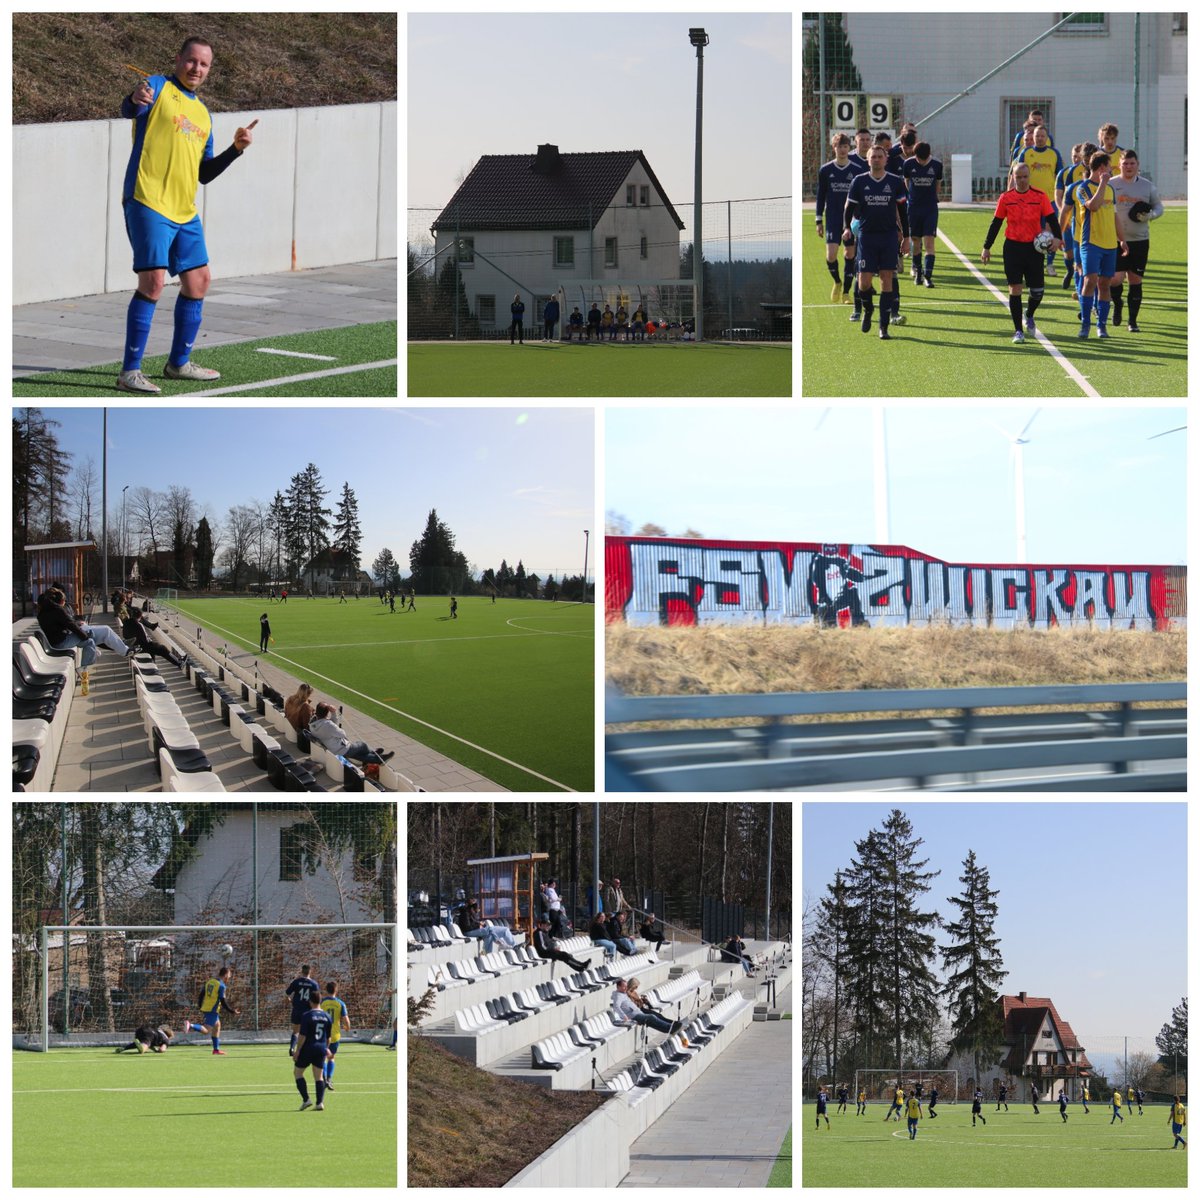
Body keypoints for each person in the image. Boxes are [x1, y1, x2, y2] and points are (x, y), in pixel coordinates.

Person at [116, 36, 257, 393]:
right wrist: (134, 99)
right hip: (147, 200)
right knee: (154, 282)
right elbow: (130, 109)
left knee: (200, 281)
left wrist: (235, 150)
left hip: (184, 210)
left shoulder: (203, 115)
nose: (197, 68)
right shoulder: (157, 86)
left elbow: (204, 173)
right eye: (192, 61)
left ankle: (178, 364)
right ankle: (130, 371)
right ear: (178, 59)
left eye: (204, 64)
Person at [981, 161, 1062, 343]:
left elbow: (1052, 219)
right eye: (1018, 177)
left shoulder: (1039, 196)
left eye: (1025, 177)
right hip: (1013, 248)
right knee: (1015, 288)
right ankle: (1018, 330)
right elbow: (996, 223)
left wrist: (1058, 238)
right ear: (1013, 178)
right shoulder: (1006, 198)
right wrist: (987, 247)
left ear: (1029, 177)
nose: (1022, 180)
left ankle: (1029, 313)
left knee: (1038, 291)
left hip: (1033, 249)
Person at [842, 145, 910, 340]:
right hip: (866, 236)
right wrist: (847, 228)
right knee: (863, 282)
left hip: (888, 236)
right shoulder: (859, 181)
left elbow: (903, 213)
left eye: (880, 157)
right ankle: (868, 309)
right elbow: (849, 208)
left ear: (886, 159)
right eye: (874, 157)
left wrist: (905, 237)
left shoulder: (895, 182)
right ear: (868, 160)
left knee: (886, 279)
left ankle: (883, 327)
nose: (877, 160)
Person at [1073, 150, 1126, 339]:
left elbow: (1113, 215)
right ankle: (1085, 324)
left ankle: (1101, 326)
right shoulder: (1083, 188)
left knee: (1105, 284)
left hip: (1110, 244)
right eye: (1109, 166)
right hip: (1091, 242)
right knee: (1090, 281)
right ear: (1101, 167)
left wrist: (1122, 239)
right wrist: (1103, 183)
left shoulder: (1110, 190)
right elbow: (1093, 206)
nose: (1111, 170)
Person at [1108, 149, 1163, 332]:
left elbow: (1159, 207)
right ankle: (1117, 304)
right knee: (1115, 280)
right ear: (1119, 165)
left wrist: (1150, 216)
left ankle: (1132, 321)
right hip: (1116, 240)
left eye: (1132, 163)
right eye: (1125, 163)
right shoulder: (1111, 184)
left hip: (1140, 240)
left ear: (1137, 165)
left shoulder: (1147, 186)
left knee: (1135, 280)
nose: (1129, 167)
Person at [37, 587, 131, 670]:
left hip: (57, 642)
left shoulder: (43, 612)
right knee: (101, 632)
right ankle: (124, 650)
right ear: (60, 601)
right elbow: (71, 625)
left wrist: (81, 628)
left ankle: (84, 668)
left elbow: (62, 625)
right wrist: (85, 635)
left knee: (90, 640)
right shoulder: (57, 610)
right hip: (61, 643)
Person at [816, 132, 860, 304]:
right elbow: (821, 196)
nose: (842, 150)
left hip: (851, 220)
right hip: (833, 219)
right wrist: (818, 220)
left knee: (850, 255)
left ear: (849, 148)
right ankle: (837, 282)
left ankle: (847, 293)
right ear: (833, 148)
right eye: (839, 146)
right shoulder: (826, 170)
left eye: (845, 146)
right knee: (831, 255)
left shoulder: (856, 170)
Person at [1017, 125, 1064, 274]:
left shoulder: (1054, 154)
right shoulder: (1026, 153)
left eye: (1043, 136)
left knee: (1049, 233)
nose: (1040, 138)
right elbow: (1017, 174)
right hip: (1030, 200)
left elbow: (1060, 177)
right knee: (1030, 232)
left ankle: (1049, 264)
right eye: (1037, 136)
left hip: (1049, 200)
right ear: (1033, 137)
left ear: (1047, 138)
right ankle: (1029, 263)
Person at [903, 141, 943, 287]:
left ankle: (928, 276)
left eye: (924, 159)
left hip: (930, 208)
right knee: (915, 240)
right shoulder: (908, 165)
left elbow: (938, 185)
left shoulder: (937, 165)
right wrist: (913, 198)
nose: (921, 162)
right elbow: (907, 183)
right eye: (919, 159)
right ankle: (918, 272)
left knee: (929, 241)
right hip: (913, 208)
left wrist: (930, 198)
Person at [307, 701, 395, 765]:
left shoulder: (313, 723)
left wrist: (332, 716)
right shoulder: (327, 725)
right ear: (326, 713)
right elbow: (342, 734)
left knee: (358, 755)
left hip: (332, 748)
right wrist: (333, 713)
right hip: (340, 749)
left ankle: (379, 758)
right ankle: (375, 755)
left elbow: (331, 726)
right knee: (362, 745)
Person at [183, 965, 239, 1054]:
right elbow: (223, 1001)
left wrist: (200, 1005)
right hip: (212, 1010)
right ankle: (190, 1025)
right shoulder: (221, 986)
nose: (229, 978)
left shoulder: (210, 981)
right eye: (229, 976)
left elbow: (201, 994)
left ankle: (216, 1050)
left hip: (206, 1007)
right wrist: (231, 1011)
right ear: (225, 975)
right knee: (206, 1030)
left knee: (217, 1026)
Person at [293, 992, 333, 1111]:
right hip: (321, 1048)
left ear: (310, 1001)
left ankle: (306, 1100)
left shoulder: (307, 1015)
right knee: (319, 1077)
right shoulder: (327, 1016)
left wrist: (297, 1050)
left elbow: (302, 1035)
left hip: (307, 1048)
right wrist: (326, 1048)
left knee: (298, 1073)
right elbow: (328, 1037)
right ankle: (320, 1103)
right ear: (320, 1001)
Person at [611, 978, 677, 1035]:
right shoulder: (618, 996)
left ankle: (668, 1030)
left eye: (626, 986)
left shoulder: (623, 994)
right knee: (652, 1017)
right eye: (624, 987)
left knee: (651, 1022)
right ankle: (670, 1027)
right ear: (618, 987)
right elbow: (616, 1006)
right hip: (633, 1015)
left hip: (637, 1012)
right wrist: (624, 1016)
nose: (626, 988)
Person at [320, 981, 351, 1089]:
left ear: (326, 990)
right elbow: (346, 1021)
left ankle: (323, 1079)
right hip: (335, 1035)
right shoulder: (340, 1003)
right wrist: (347, 1028)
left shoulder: (322, 1003)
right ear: (336, 990)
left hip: (323, 1034)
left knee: (323, 1057)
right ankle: (329, 1079)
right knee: (331, 1057)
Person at [285, 964, 321, 1055]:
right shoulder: (314, 984)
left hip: (297, 1010)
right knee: (308, 1031)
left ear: (302, 971)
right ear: (310, 972)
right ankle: (305, 1049)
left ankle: (292, 1048)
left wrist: (290, 1000)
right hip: (308, 1011)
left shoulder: (296, 982)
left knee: (296, 1031)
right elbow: (317, 999)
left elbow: (287, 994)